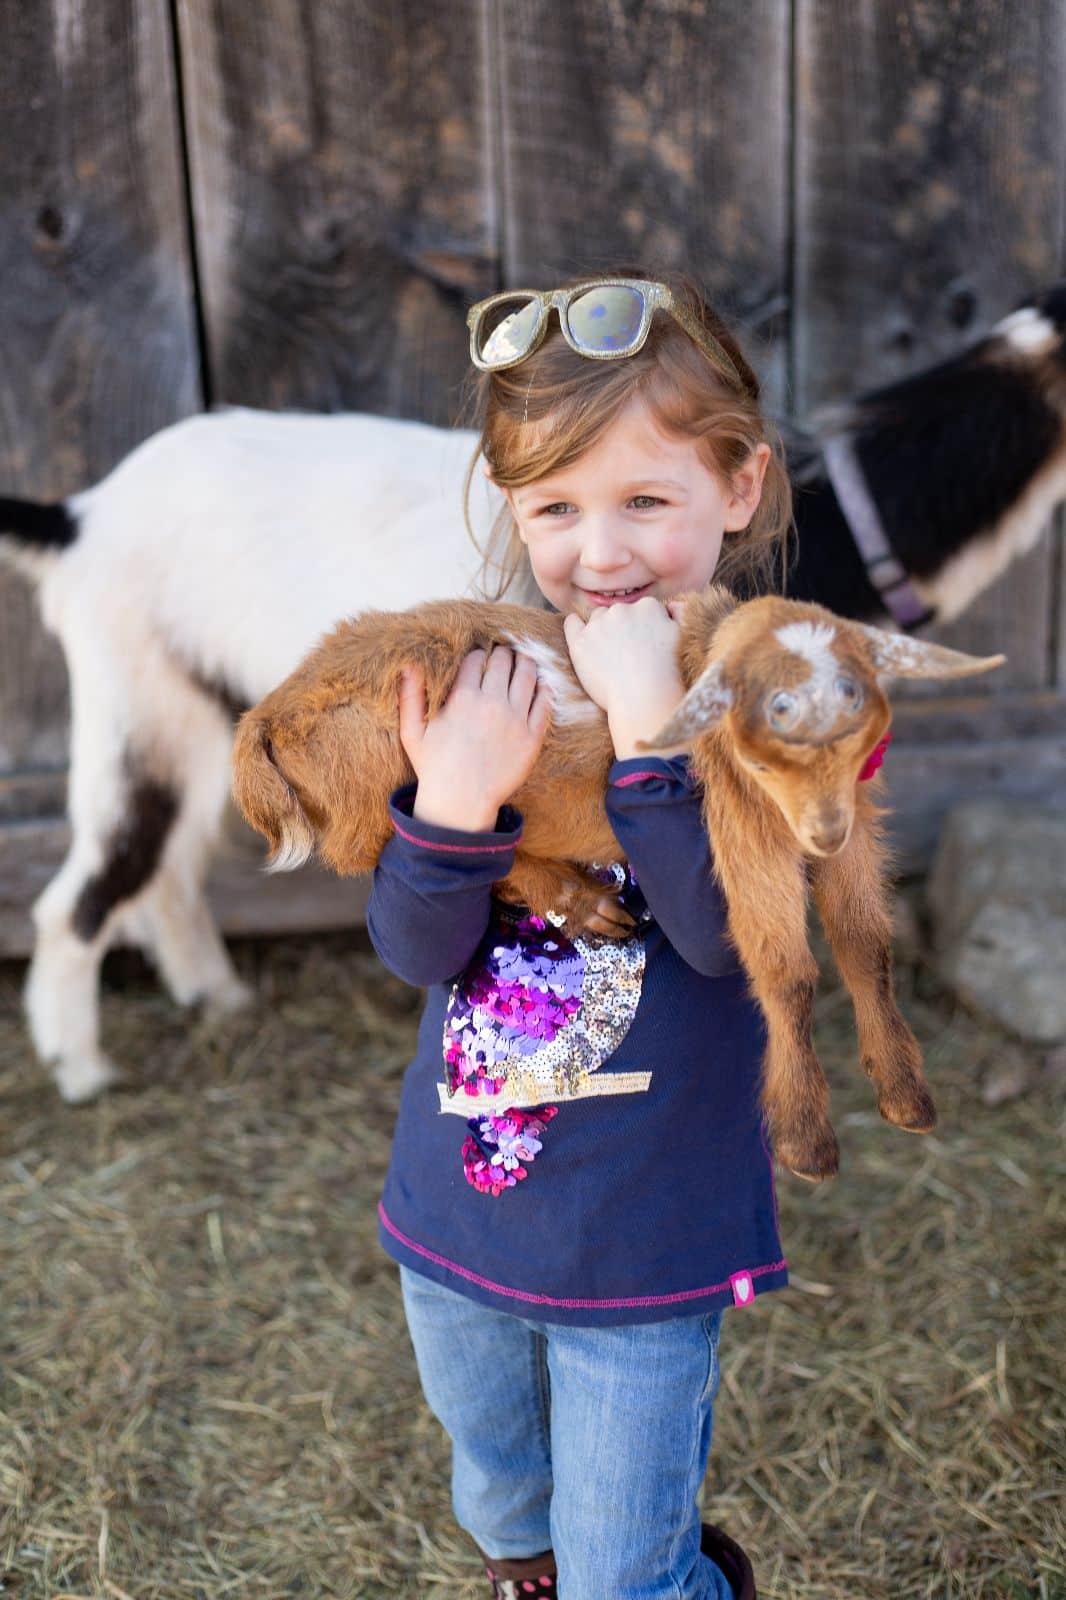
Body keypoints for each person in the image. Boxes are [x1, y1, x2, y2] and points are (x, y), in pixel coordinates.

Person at [367, 269, 794, 1600]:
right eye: (553, 508)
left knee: (626, 1573)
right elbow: (415, 948)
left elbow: (732, 942)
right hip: (461, 1221)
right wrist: (451, 796)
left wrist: (651, 734)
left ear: (737, 489)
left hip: (647, 1244)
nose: (597, 553)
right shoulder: (493, 681)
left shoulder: (770, 699)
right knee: (502, 1496)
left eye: (643, 501)